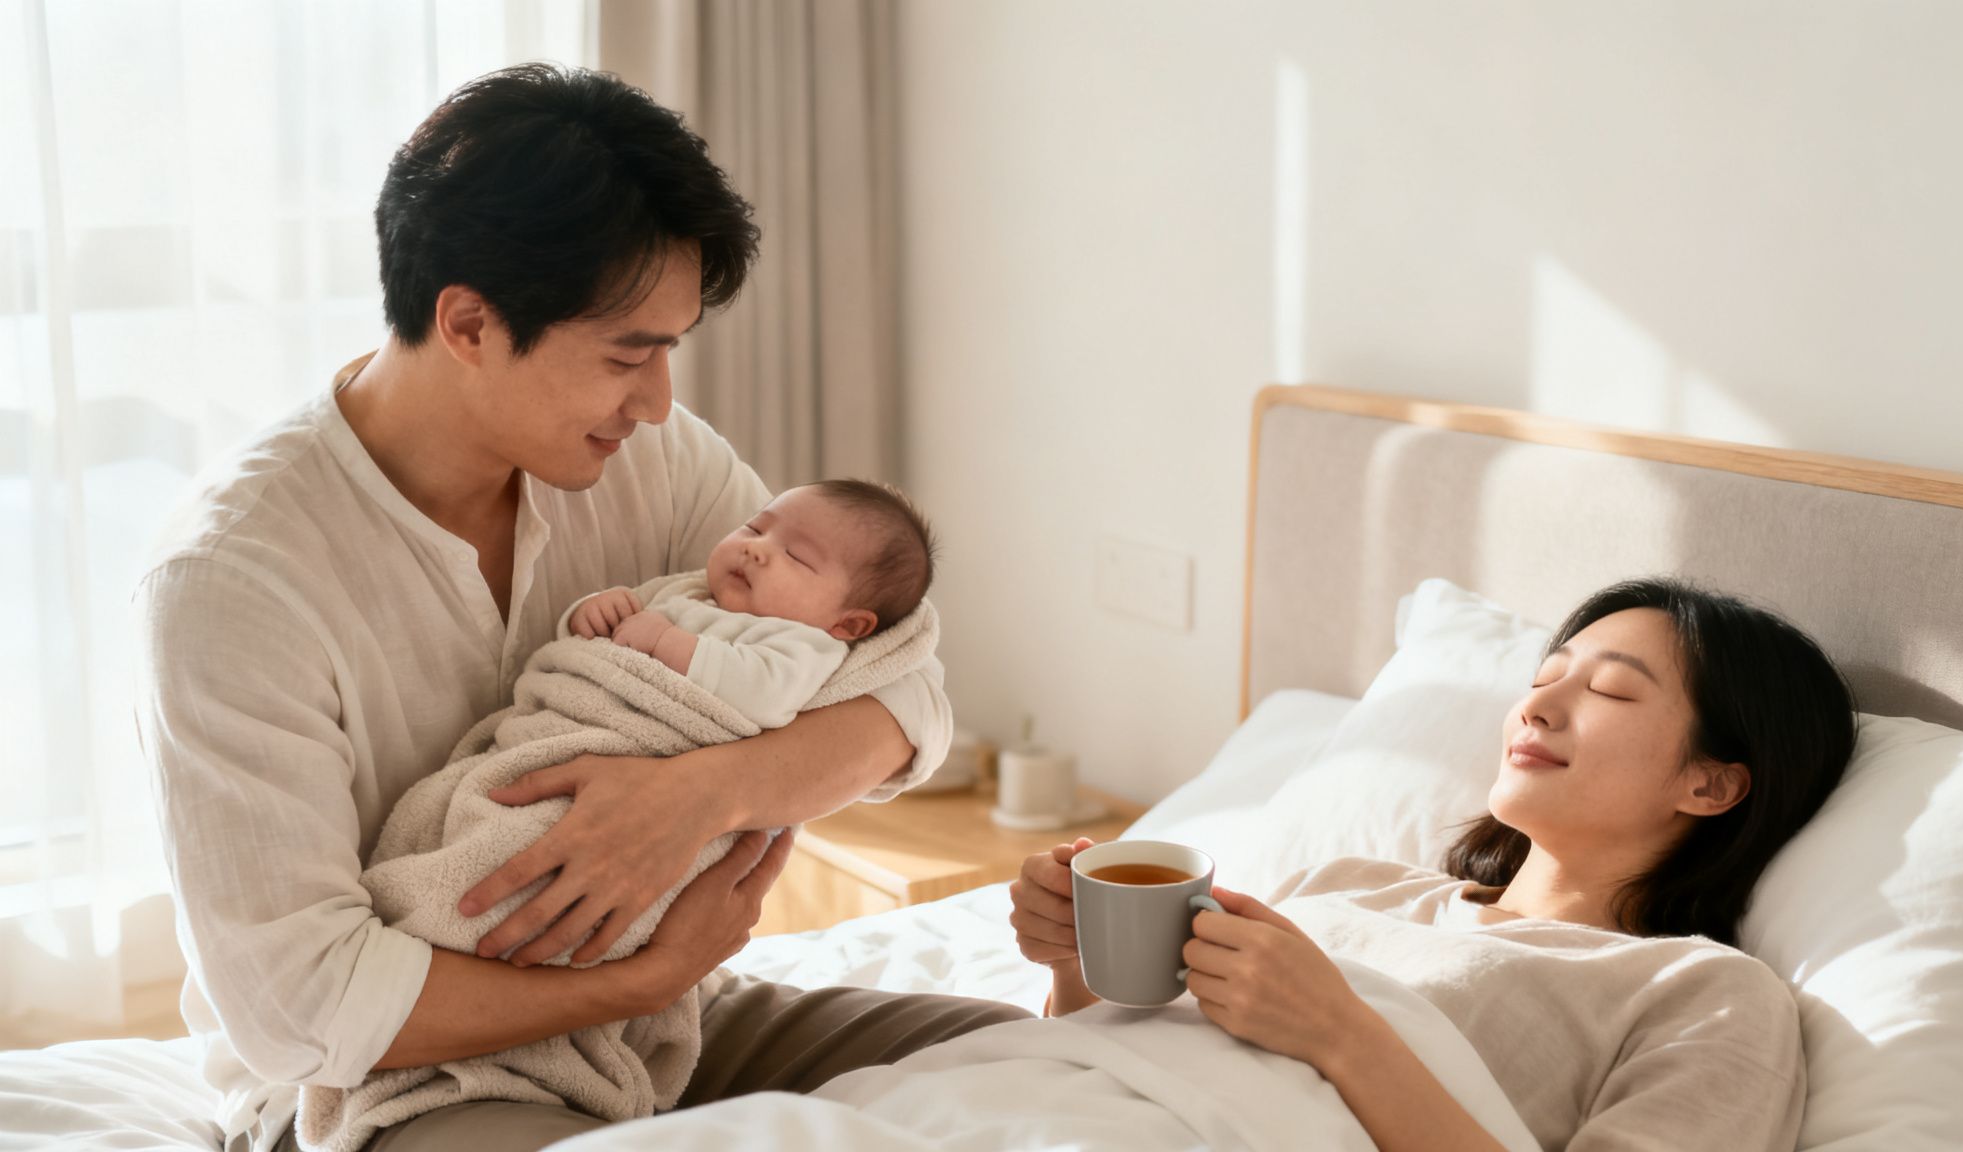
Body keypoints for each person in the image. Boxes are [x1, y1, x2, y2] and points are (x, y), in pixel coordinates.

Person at [136, 64, 1025, 1152]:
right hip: (394, 1080)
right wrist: (648, 971)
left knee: (1022, 1067)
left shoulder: (657, 461)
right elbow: (302, 1010)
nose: (656, 402)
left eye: (669, 352)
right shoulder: (231, 582)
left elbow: (904, 698)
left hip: (652, 1026)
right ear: (467, 323)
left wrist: (696, 800)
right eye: (628, 355)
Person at [1010, 578, 1857, 1152]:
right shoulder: (1347, 884)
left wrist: (1341, 1034)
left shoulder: (1702, 996)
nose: (1538, 706)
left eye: (1610, 691)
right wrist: (1076, 968)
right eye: (1544, 677)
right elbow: (1127, 1069)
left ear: (1709, 783)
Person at [570, 479, 938, 726]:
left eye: (796, 556)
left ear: (847, 624)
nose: (755, 548)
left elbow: (762, 693)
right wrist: (595, 612)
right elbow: (601, 643)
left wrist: (664, 642)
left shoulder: (806, 645)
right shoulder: (691, 592)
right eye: (755, 528)